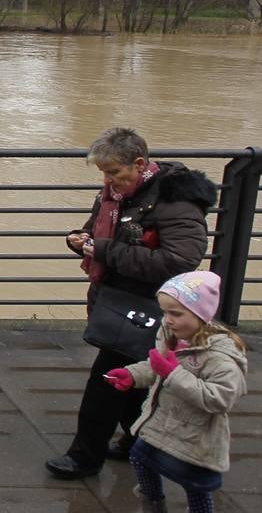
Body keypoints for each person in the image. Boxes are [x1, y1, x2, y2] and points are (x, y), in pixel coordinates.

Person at [46, 127, 217, 480]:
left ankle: (84, 457)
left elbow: (179, 261)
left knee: (107, 381)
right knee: (133, 378)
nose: (108, 181)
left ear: (139, 164)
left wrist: (103, 250)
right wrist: (81, 240)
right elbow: (98, 231)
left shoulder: (175, 202)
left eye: (114, 173)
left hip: (149, 306)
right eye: (104, 173)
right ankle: (139, 441)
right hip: (118, 298)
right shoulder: (116, 194)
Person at [105, 270, 248, 513]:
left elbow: (220, 398)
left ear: (201, 313)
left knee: (196, 485)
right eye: (165, 312)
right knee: (139, 456)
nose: (168, 319)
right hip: (162, 422)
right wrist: (133, 375)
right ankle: (153, 510)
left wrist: (172, 374)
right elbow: (156, 366)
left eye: (177, 313)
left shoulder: (220, 356)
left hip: (197, 435)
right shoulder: (171, 333)